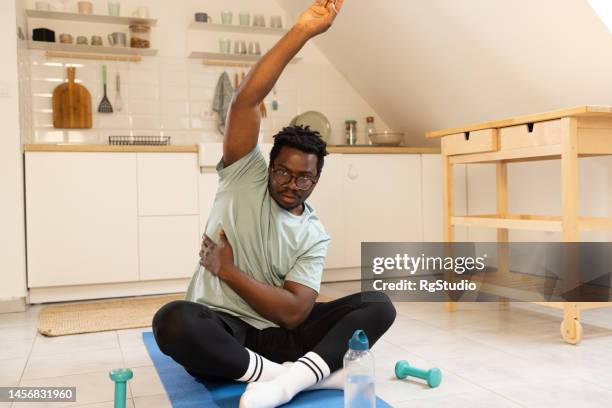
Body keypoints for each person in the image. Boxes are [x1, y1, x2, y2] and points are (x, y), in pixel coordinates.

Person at [152, 1, 396, 407]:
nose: (291, 185)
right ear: (269, 166)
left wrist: (227, 270)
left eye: (304, 178)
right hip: (225, 332)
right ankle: (299, 378)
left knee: (379, 304)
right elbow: (244, 103)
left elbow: (294, 314)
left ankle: (289, 378)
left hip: (280, 337)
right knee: (172, 322)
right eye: (282, 172)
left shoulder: (313, 234)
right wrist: (303, 30)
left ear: (317, 180)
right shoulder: (243, 175)